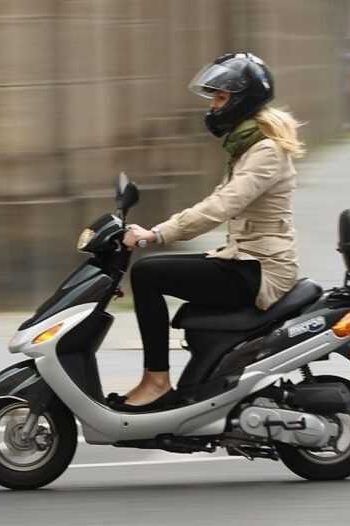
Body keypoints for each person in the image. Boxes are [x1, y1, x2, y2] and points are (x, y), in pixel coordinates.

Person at [109, 52, 305, 412]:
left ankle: (156, 382)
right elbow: (219, 200)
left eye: (220, 97)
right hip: (245, 260)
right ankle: (186, 383)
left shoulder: (266, 151)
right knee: (162, 275)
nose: (213, 107)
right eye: (213, 97)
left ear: (242, 100)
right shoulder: (248, 147)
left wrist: (157, 234)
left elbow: (222, 206)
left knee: (149, 273)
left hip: (262, 269)